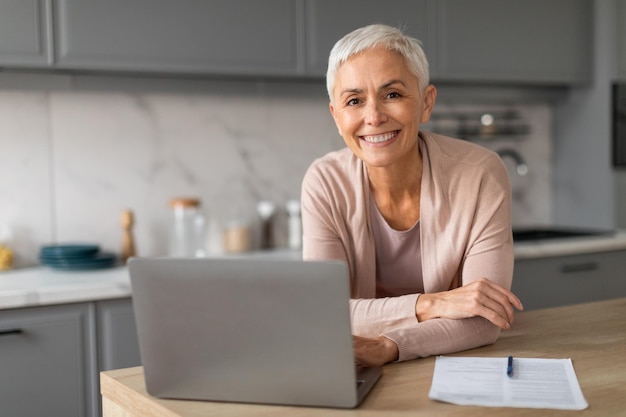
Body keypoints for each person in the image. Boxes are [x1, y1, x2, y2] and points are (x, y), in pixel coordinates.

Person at [300, 24, 524, 367]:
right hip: (353, 367)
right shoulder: (324, 181)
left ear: (425, 103)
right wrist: (431, 304)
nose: (373, 117)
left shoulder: (481, 174)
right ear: (336, 115)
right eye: (354, 101)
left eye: (392, 95)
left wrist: (389, 345)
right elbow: (321, 313)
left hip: (442, 364)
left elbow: (484, 320)